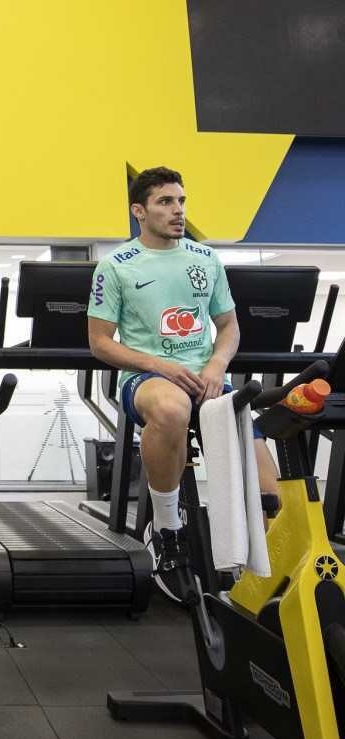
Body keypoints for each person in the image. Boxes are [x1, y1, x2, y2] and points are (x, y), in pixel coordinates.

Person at [87, 166, 279, 602]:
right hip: (147, 379)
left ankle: (258, 586)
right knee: (173, 408)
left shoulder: (205, 259)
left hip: (210, 383)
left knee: (271, 495)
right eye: (165, 202)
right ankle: (168, 531)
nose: (178, 211)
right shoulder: (115, 266)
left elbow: (229, 327)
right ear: (139, 210)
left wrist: (215, 365)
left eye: (181, 201)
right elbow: (99, 343)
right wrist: (160, 364)